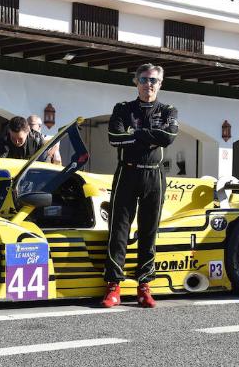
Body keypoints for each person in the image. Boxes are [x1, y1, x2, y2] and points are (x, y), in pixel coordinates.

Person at [102, 63, 178, 308]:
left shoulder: (168, 109)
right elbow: (114, 138)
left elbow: (169, 137)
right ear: (136, 82)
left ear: (160, 83)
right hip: (127, 172)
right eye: (144, 79)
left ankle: (144, 286)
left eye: (153, 80)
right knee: (119, 230)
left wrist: (135, 134)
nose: (149, 84)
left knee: (149, 232)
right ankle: (113, 286)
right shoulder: (123, 108)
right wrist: (149, 135)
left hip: (154, 176)